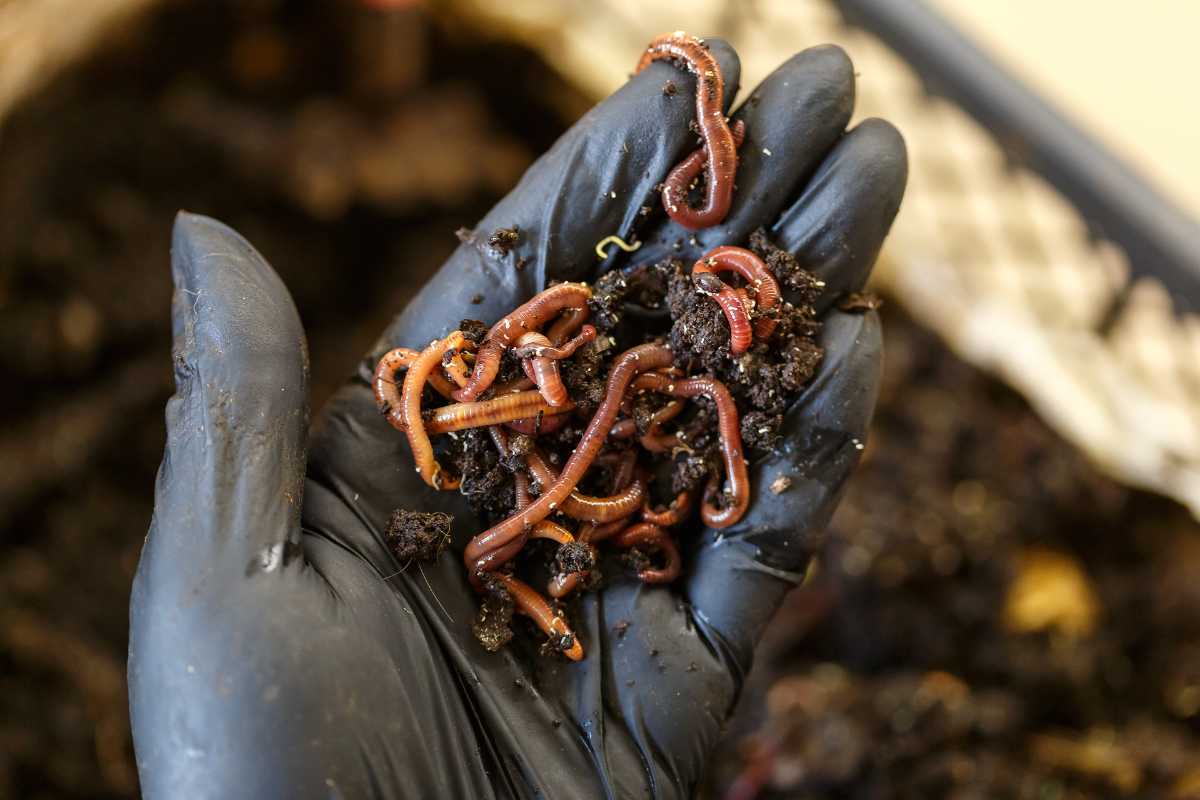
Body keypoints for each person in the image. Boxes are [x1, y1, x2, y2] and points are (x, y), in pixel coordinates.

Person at [128, 37, 906, 798]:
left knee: (603, 408)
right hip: (533, 426)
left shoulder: (570, 405)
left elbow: (581, 403)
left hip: (561, 423)